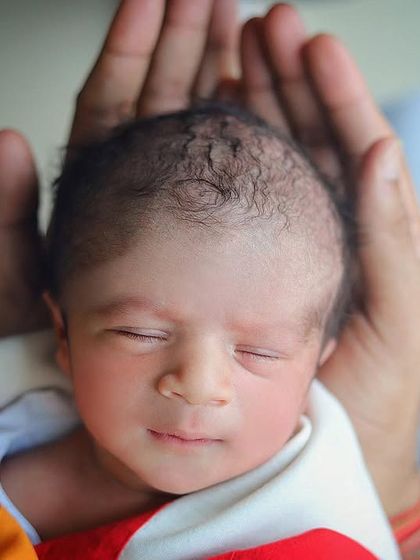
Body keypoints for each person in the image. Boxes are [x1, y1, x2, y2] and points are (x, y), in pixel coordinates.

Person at [0, 0, 418, 556]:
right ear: (63, 335)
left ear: (318, 359)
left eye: (261, 352)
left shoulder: (317, 529)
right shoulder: (20, 448)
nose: (197, 384)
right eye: (140, 333)